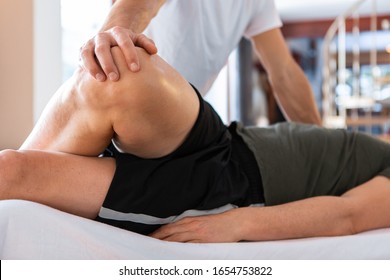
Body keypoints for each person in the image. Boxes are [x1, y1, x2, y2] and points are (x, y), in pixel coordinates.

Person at [1, 47, 389, 243]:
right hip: (226, 141)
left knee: (12, 173)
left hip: (226, 186)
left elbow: (348, 216)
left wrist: (238, 224)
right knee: (118, 68)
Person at [79, 0, 322, 125]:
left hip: (179, 117)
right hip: (126, 96)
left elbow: (285, 73)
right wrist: (115, 32)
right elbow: (139, 5)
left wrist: (326, 144)